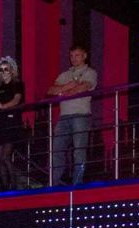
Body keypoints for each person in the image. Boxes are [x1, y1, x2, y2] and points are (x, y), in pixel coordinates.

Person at [47, 44, 97, 185]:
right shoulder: (65, 74)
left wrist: (63, 91)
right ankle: (54, 183)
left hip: (81, 115)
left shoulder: (90, 72)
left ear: (84, 56)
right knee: (57, 150)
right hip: (64, 116)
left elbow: (84, 87)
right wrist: (68, 86)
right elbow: (50, 90)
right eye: (71, 56)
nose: (74, 59)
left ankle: (77, 183)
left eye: (77, 55)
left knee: (79, 151)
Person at [0, 57, 26, 190]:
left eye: (6, 69)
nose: (4, 72)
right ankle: (5, 187)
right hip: (0, 122)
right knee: (0, 157)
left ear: (12, 70)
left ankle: (14, 186)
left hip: (12, 122)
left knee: (6, 156)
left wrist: (3, 106)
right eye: (1, 70)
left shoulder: (17, 84)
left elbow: (16, 100)